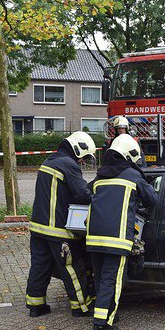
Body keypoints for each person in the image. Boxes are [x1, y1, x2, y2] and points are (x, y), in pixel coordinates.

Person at [86, 134, 158, 330]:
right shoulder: (132, 176)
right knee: (112, 281)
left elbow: (86, 193)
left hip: (93, 237)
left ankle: (108, 314)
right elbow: (152, 199)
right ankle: (102, 326)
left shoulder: (100, 177)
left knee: (101, 279)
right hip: (116, 239)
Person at [26, 132, 97, 318]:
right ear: (77, 149)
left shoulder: (49, 161)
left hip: (38, 228)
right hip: (58, 231)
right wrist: (97, 199)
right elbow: (82, 194)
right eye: (83, 157)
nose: (82, 161)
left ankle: (36, 305)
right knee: (72, 268)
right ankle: (81, 307)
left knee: (40, 267)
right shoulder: (68, 164)